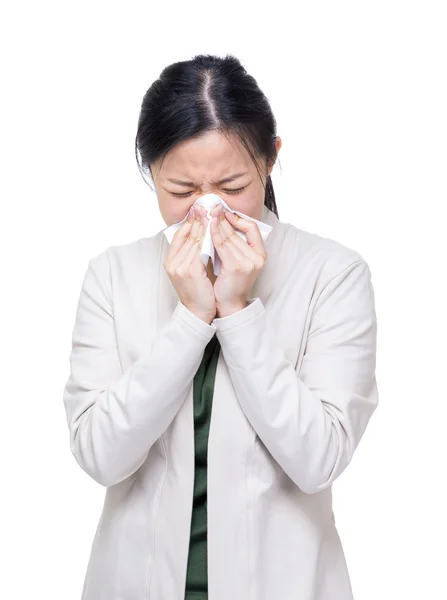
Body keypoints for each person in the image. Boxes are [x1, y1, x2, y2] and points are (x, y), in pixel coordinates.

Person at [62, 53, 379, 600]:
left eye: (232, 186)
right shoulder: (112, 275)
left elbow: (319, 459)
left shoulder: (333, 273)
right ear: (150, 171)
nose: (207, 212)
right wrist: (188, 320)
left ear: (270, 160)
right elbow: (100, 455)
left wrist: (237, 313)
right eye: (181, 192)